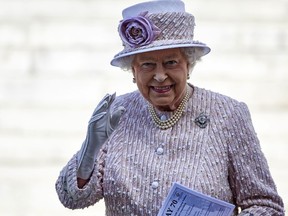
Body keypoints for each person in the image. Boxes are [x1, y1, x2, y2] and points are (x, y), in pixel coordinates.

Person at [55, 0, 285, 215]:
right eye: (147, 64)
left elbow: (266, 206)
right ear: (133, 72)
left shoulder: (228, 114)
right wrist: (90, 149)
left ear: (189, 64)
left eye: (171, 62)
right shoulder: (117, 113)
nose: (160, 75)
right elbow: (72, 199)